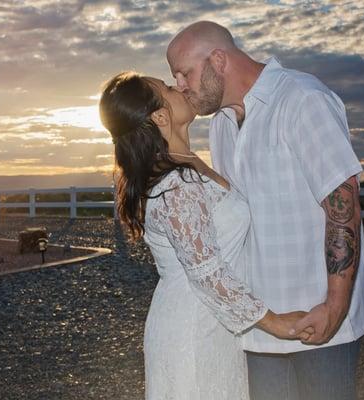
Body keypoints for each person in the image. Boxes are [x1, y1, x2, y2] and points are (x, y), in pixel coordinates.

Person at [167, 21, 364, 400]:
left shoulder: (301, 98)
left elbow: (343, 205)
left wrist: (335, 304)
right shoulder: (221, 126)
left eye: (186, 73)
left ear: (218, 60)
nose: (181, 86)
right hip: (262, 330)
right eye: (176, 77)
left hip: (321, 325)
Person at [99, 72, 310, 399]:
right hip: (194, 329)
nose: (180, 86)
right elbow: (206, 271)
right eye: (168, 88)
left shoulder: (186, 165)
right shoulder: (176, 184)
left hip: (207, 323)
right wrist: (278, 324)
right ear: (160, 116)